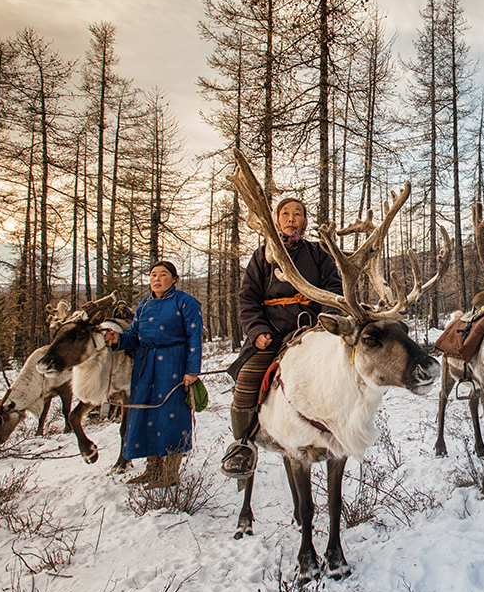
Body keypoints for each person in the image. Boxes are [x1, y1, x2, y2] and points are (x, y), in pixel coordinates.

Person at [221, 197, 342, 479]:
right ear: (276, 220)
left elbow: (334, 290)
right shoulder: (261, 256)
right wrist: (257, 330)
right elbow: (247, 299)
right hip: (272, 333)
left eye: (297, 213)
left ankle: (341, 429)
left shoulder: (318, 254)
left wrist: (324, 323)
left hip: (312, 333)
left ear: (305, 221)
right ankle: (243, 444)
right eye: (285, 213)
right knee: (246, 379)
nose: (291, 218)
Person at [103, 260, 202, 488]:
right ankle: (153, 469)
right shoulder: (144, 305)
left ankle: (170, 474)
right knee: (146, 415)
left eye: (163, 274)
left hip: (173, 364)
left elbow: (194, 337)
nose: (157, 279)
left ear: (174, 279)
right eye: (153, 274)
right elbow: (135, 336)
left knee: (171, 415)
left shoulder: (185, 302)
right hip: (146, 367)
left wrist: (191, 371)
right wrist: (118, 339)